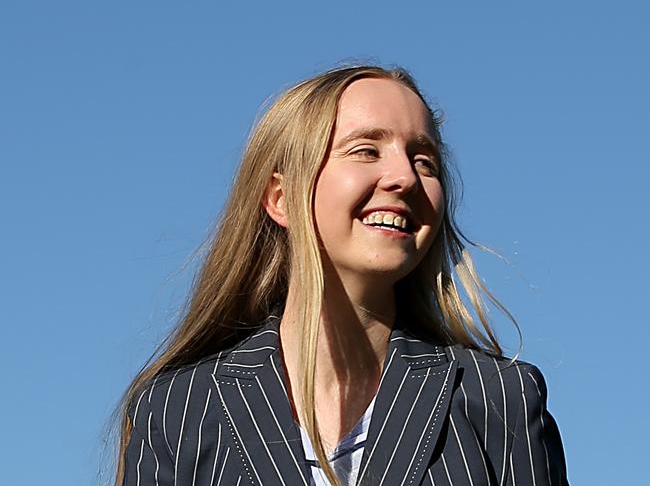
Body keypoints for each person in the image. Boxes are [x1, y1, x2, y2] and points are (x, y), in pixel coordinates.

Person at [116, 65, 569, 486]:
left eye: (424, 160)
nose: (405, 178)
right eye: (366, 150)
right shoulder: (178, 409)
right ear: (281, 198)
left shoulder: (499, 401)